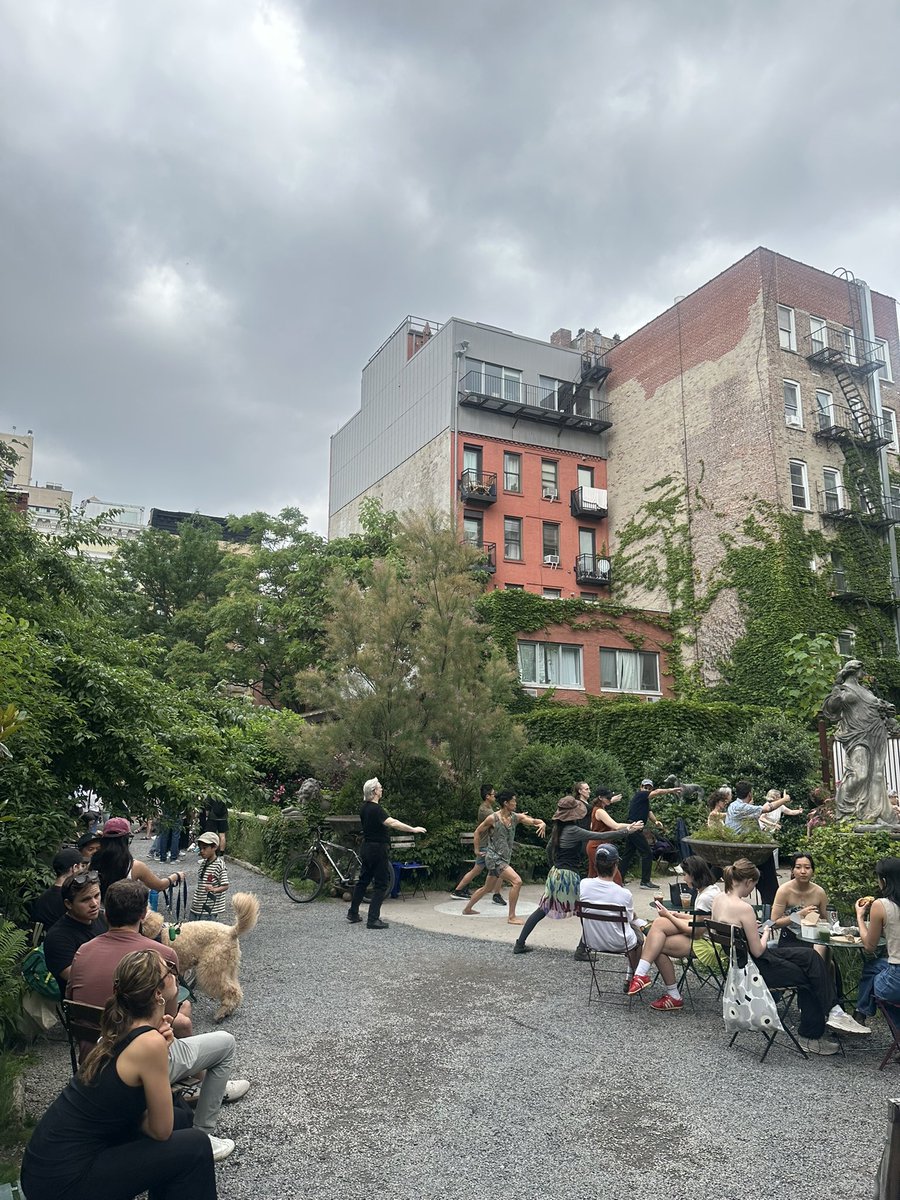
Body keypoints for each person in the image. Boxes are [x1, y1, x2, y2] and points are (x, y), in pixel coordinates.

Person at [21, 950, 220, 1200]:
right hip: (63, 1182)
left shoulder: (122, 1025)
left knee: (181, 1114)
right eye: (169, 969)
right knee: (196, 1145)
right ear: (158, 994)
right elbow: (161, 1131)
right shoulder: (149, 1043)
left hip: (44, 1167)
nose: (174, 971)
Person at [710, 858, 869, 1054]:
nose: (751, 891)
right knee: (812, 975)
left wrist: (758, 930)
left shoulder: (719, 899)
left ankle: (835, 1012)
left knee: (810, 957)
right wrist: (766, 931)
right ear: (748, 881)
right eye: (753, 886)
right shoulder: (744, 908)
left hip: (742, 965)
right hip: (756, 969)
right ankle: (811, 1036)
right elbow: (759, 950)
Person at [67, 879, 192, 1047]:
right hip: (139, 1056)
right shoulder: (164, 955)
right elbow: (168, 1015)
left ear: (106, 913)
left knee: (184, 1009)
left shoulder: (82, 951)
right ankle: (183, 1072)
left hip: (92, 1053)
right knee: (219, 1044)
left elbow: (71, 999)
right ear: (143, 914)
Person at [512, 795, 640, 954]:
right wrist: (627, 831)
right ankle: (581, 950)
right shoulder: (573, 830)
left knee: (544, 909)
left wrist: (554, 865)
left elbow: (548, 849)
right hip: (568, 877)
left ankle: (519, 944)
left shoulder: (558, 829)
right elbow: (601, 836)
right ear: (574, 814)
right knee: (585, 911)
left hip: (556, 874)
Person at [626, 855, 722, 1009]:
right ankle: (646, 979)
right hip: (705, 936)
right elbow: (702, 920)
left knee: (658, 941)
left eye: (685, 874)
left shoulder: (705, 897)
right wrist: (676, 915)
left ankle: (647, 979)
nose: (684, 879)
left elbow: (696, 931)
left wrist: (669, 916)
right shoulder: (710, 890)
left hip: (708, 945)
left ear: (694, 874)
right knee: (658, 933)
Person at [821, 658, 899, 824]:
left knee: (877, 775)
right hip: (857, 734)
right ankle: (844, 812)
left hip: (876, 732)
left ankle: (875, 814)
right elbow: (830, 708)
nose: (863, 674)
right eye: (861, 670)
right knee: (860, 774)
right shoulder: (844, 689)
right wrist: (836, 697)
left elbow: (877, 707)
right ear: (853, 670)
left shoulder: (866, 691)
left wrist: (885, 707)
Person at [346, 778, 426, 930]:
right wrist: (413, 829)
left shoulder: (364, 808)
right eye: (380, 787)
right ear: (374, 791)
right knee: (381, 883)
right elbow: (393, 823)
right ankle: (373, 919)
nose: (382, 789)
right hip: (378, 849)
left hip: (367, 847)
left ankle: (353, 913)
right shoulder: (376, 809)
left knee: (363, 880)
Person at [462, 791, 546, 925]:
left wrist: (541, 823)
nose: (516, 803)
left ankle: (467, 909)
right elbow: (477, 831)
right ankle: (511, 917)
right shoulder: (492, 818)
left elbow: (532, 821)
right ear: (506, 803)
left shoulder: (515, 817)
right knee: (517, 881)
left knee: (487, 888)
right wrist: (477, 850)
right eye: (513, 800)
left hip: (503, 858)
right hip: (494, 858)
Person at [578, 844, 645, 977]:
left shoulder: (584, 884)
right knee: (639, 937)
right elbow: (630, 918)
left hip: (591, 941)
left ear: (595, 865)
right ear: (615, 866)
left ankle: (633, 977)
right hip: (620, 943)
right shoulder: (624, 894)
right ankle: (632, 977)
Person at [43, 870, 107, 994]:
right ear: (68, 904)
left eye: (96, 896)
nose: (94, 904)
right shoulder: (58, 937)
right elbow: (76, 978)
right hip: (82, 1003)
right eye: (85, 900)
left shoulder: (102, 918)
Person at [93, 817, 187, 901]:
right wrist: (176, 876)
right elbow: (159, 885)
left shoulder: (94, 862)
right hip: (125, 915)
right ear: (126, 840)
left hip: (97, 915)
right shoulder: (134, 866)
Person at [853, 857, 900, 1023]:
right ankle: (860, 1013)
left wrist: (859, 916)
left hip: (897, 981)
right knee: (875, 966)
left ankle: (860, 1014)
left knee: (873, 975)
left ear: (884, 880)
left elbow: (869, 946)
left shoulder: (881, 905)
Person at [618, 778, 682, 890]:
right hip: (634, 828)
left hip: (633, 828)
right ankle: (645, 882)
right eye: (645, 787)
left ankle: (618, 880)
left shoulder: (644, 800)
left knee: (627, 855)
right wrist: (671, 790)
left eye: (649, 788)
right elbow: (657, 792)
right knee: (647, 853)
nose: (646, 789)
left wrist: (656, 822)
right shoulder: (640, 795)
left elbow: (648, 812)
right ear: (641, 787)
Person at [451, 785, 503, 903]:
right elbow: (499, 820)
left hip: (487, 845)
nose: (495, 796)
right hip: (486, 845)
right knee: (500, 868)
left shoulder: (488, 808)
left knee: (478, 869)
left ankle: (458, 890)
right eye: (493, 794)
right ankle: (496, 894)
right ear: (487, 796)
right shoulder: (485, 811)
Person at [770, 853, 828, 943]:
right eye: (798, 867)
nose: (803, 871)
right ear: (792, 871)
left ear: (813, 871)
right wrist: (799, 915)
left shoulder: (819, 892)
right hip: (789, 938)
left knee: (820, 949)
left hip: (813, 938)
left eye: (807, 868)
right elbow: (774, 923)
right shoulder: (784, 891)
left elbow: (826, 921)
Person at [29, 847, 88, 930]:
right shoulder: (71, 898)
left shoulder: (43, 897)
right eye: (82, 866)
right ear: (75, 868)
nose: (83, 870)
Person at [585, 787, 631, 881]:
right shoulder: (600, 811)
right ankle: (618, 893)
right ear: (600, 798)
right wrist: (632, 825)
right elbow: (616, 826)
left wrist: (611, 800)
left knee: (593, 876)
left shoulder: (597, 809)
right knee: (613, 876)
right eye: (608, 798)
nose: (610, 799)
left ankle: (588, 894)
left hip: (596, 845)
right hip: (596, 846)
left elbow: (592, 826)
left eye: (611, 797)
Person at [190, 832, 229, 920]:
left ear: (214, 847)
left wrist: (214, 889)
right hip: (197, 905)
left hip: (209, 909)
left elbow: (225, 885)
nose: (201, 851)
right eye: (200, 848)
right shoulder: (203, 863)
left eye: (204, 848)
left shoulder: (219, 865)